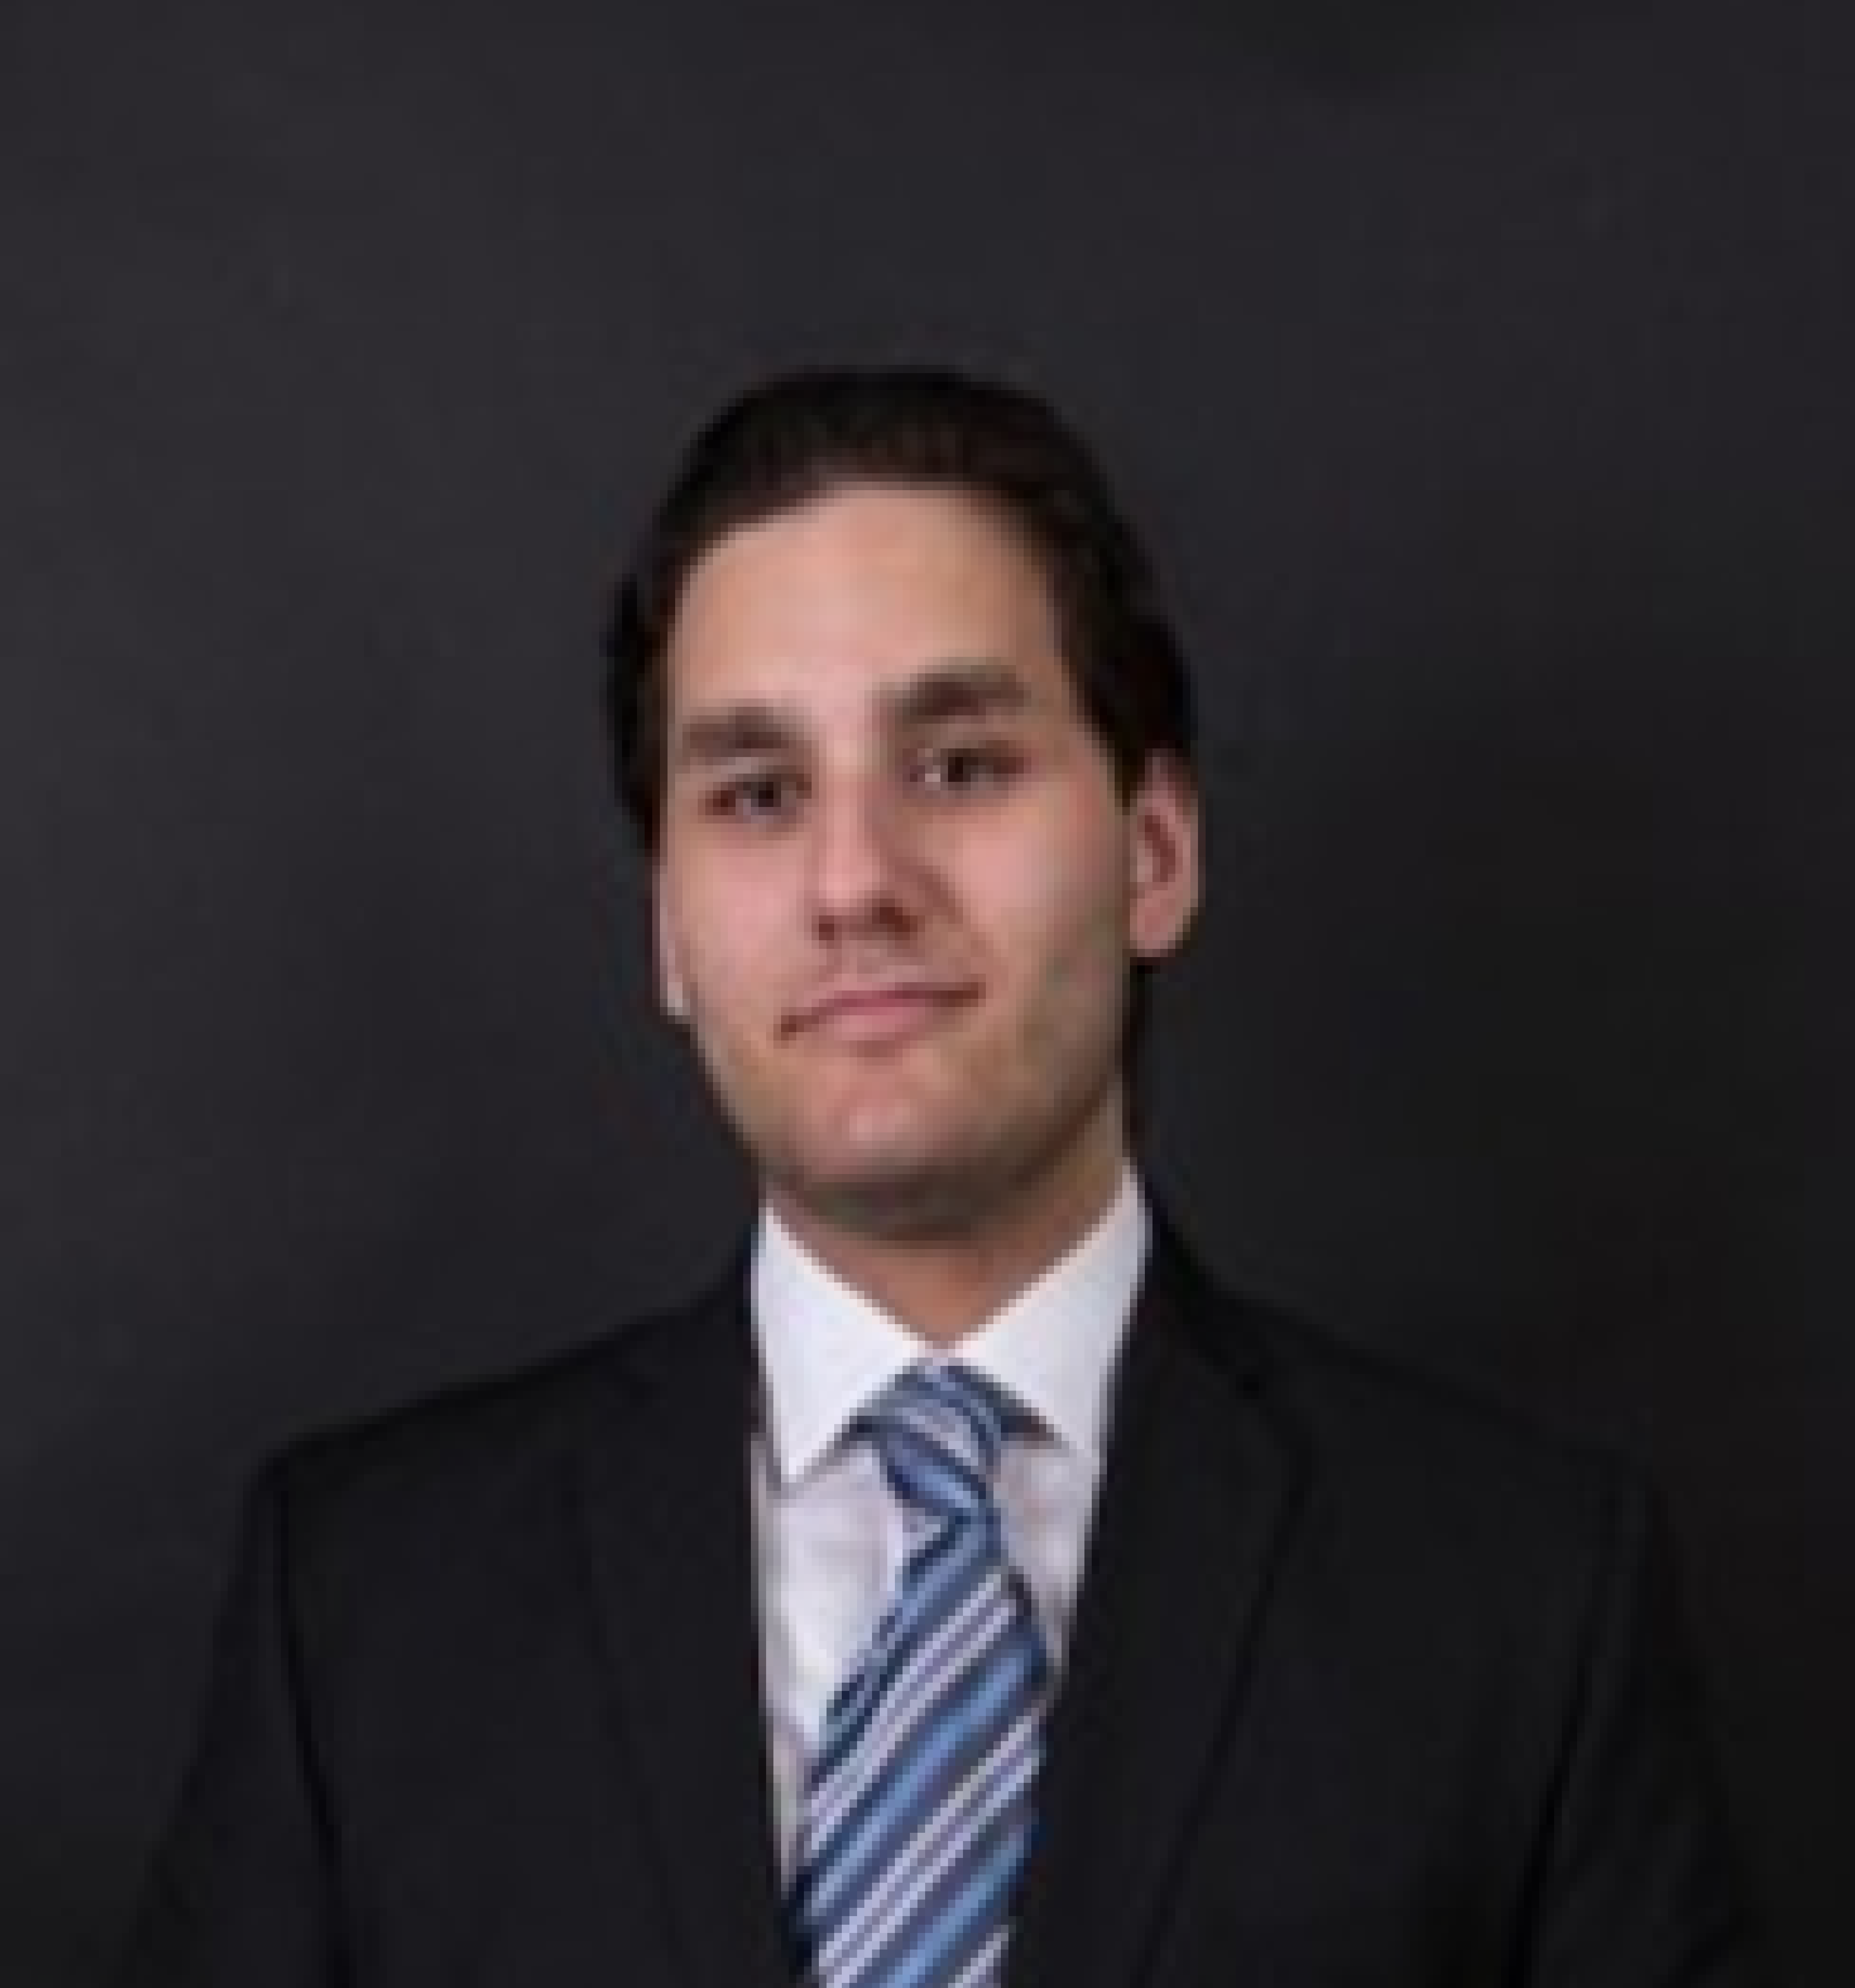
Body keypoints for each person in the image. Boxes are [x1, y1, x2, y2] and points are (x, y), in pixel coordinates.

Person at [120, 367, 1765, 1986]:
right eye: (759, 794)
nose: (855, 881)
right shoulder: (360, 1608)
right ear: (668, 930)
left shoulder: (1525, 1601)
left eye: (960, 764)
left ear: (1155, 851)